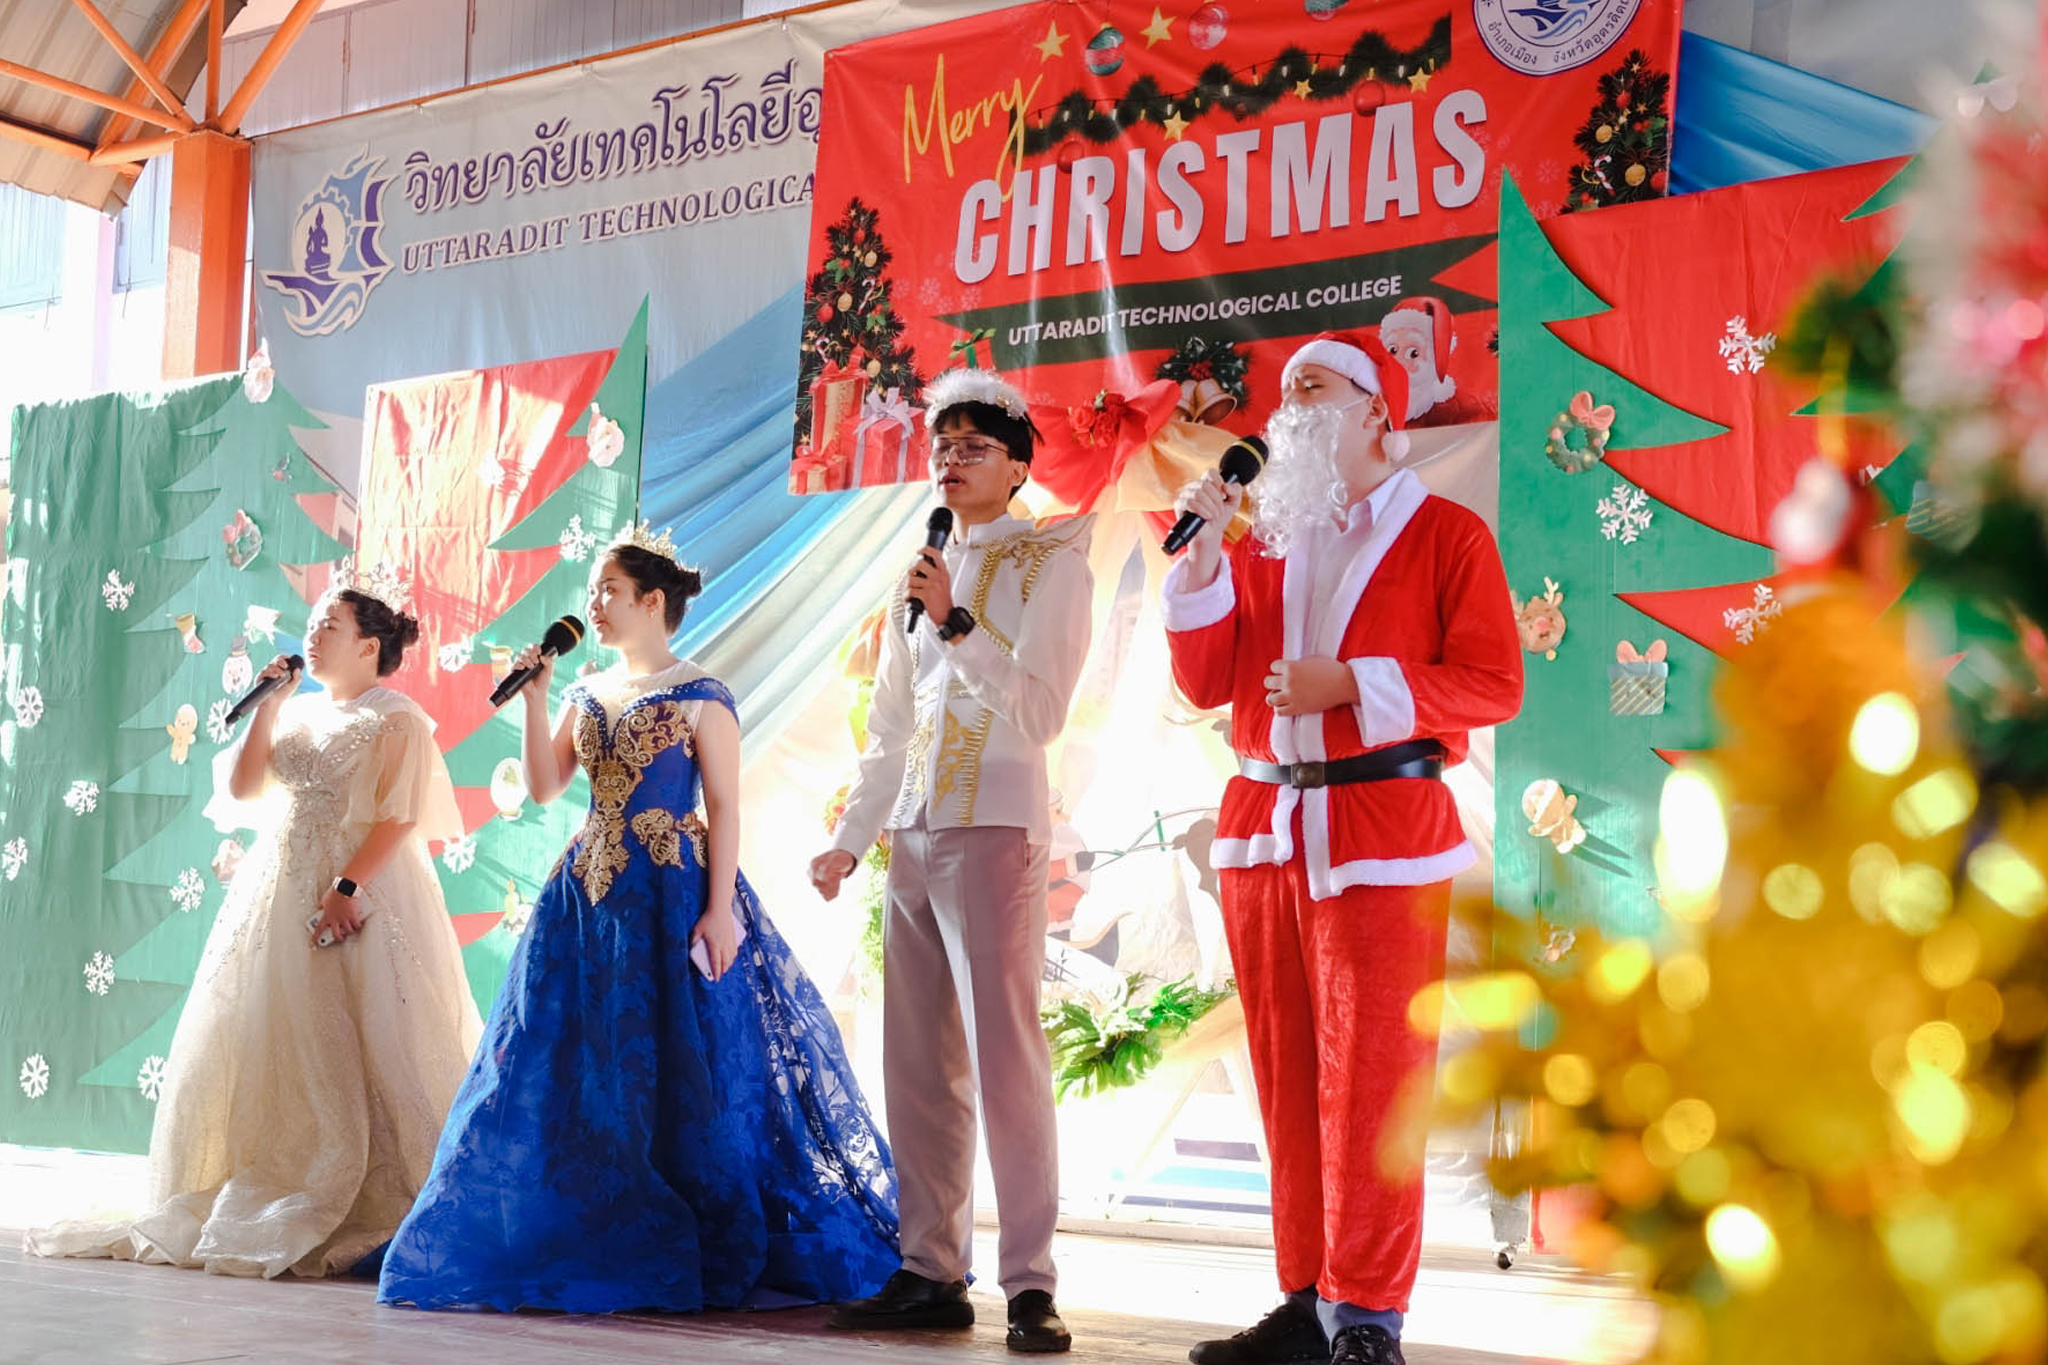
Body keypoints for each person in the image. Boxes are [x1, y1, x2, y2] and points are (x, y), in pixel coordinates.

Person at [378, 526, 898, 1314]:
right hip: (584, 898)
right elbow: (551, 785)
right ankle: (585, 1217)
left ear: (652, 601)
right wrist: (538, 697)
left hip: (670, 892)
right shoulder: (586, 691)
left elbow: (722, 807)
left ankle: (694, 1220)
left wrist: (719, 910)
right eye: (593, 593)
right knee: (568, 1057)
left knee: (679, 1061)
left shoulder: (701, 694)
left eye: (606, 592)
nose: (594, 605)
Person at [1163, 331, 1523, 1365]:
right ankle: (1305, 1297)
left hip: (1377, 835)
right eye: (1284, 393)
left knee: (1374, 1081)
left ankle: (1366, 1316)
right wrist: (1198, 561)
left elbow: (1494, 684)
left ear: (1375, 410)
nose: (1289, 405)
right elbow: (1202, 685)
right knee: (1283, 1077)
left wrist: (1354, 686)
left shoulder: (1445, 535)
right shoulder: (1261, 537)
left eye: (1313, 388)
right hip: (1264, 836)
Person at [26, 571, 482, 1278]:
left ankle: (378, 1186)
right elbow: (244, 789)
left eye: (332, 624)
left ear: (369, 645)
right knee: (271, 1032)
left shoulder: (396, 717)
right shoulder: (296, 710)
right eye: (314, 622)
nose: (314, 632)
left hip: (357, 893)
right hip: (278, 889)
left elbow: (399, 816)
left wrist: (347, 885)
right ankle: (270, 1169)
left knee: (372, 1037)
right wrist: (270, 705)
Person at [810, 367, 1094, 1355]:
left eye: (974, 447)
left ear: (1017, 465)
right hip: (913, 840)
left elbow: (1043, 710)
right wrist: (849, 840)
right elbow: (887, 727)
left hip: (995, 831)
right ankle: (931, 1268)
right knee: (916, 1064)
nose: (951, 461)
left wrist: (957, 625)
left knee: (1006, 1058)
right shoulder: (916, 573)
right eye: (942, 447)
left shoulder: (1051, 560)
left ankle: (1028, 1284)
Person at [1378, 297, 1497, 427]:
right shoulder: (1377, 407)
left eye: (1413, 353)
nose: (1399, 362)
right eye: (1393, 350)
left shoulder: (1466, 410)